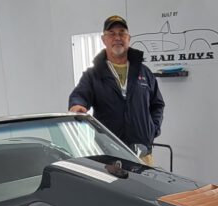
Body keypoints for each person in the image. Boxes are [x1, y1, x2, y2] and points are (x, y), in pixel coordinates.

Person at [69, 15, 164, 166]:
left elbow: (157, 104)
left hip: (143, 156)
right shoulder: (94, 74)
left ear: (129, 38)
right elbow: (80, 95)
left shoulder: (144, 72)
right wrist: (77, 105)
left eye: (122, 33)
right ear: (103, 39)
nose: (117, 38)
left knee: (145, 183)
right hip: (108, 156)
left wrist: (153, 129)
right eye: (111, 33)